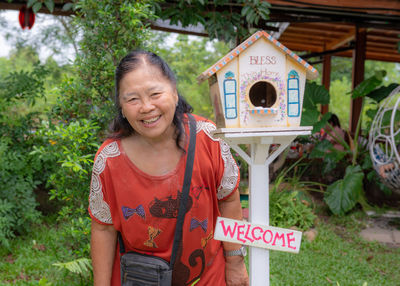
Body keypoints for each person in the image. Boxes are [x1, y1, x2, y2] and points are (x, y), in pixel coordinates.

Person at [88, 50, 249, 286]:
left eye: (155, 93)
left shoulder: (208, 138)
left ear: (174, 92)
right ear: (121, 106)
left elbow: (229, 200)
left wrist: (235, 262)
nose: (146, 107)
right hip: (141, 278)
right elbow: (103, 230)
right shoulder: (109, 159)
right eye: (132, 99)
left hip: (208, 277)